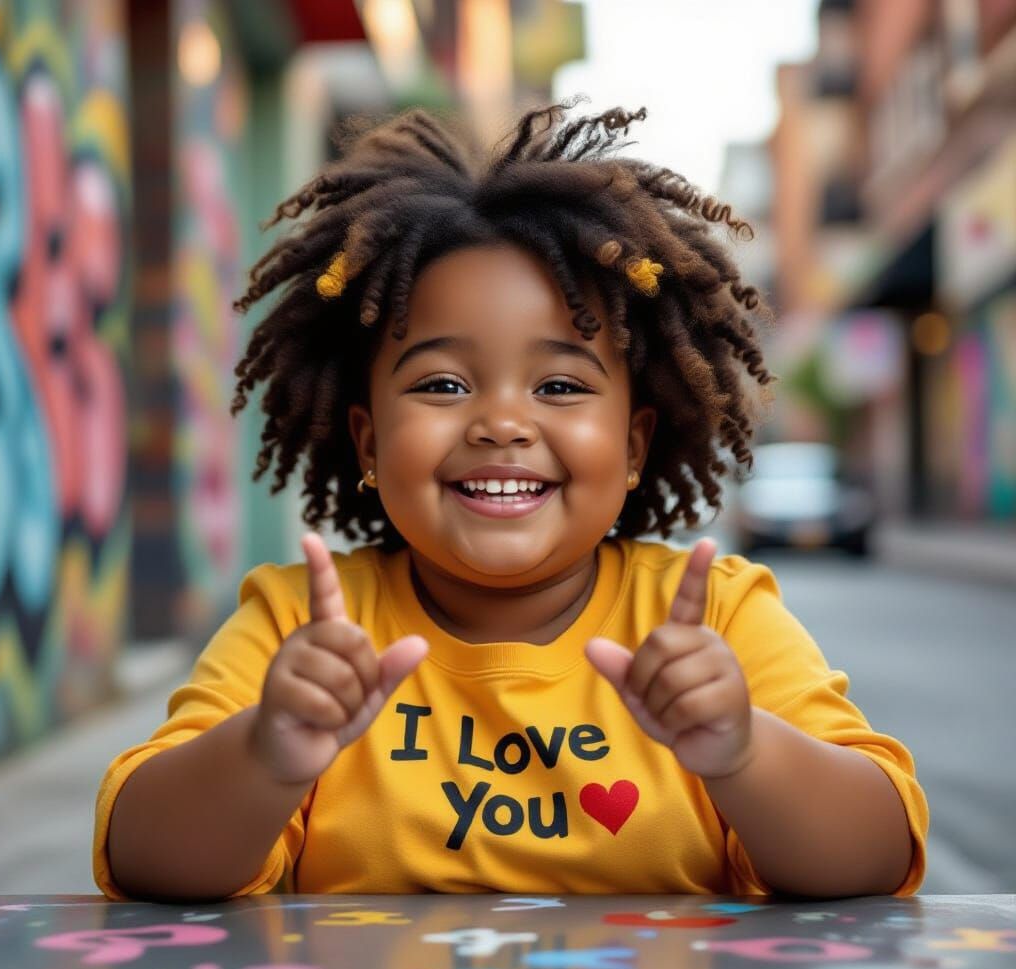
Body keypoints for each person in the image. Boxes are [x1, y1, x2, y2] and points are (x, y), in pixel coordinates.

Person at [94, 102, 927, 902]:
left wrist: (745, 754)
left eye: (560, 384)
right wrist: (264, 754)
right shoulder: (300, 629)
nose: (501, 423)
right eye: (443, 383)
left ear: (634, 447)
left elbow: (877, 856)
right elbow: (143, 859)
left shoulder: (718, 620)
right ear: (370, 442)